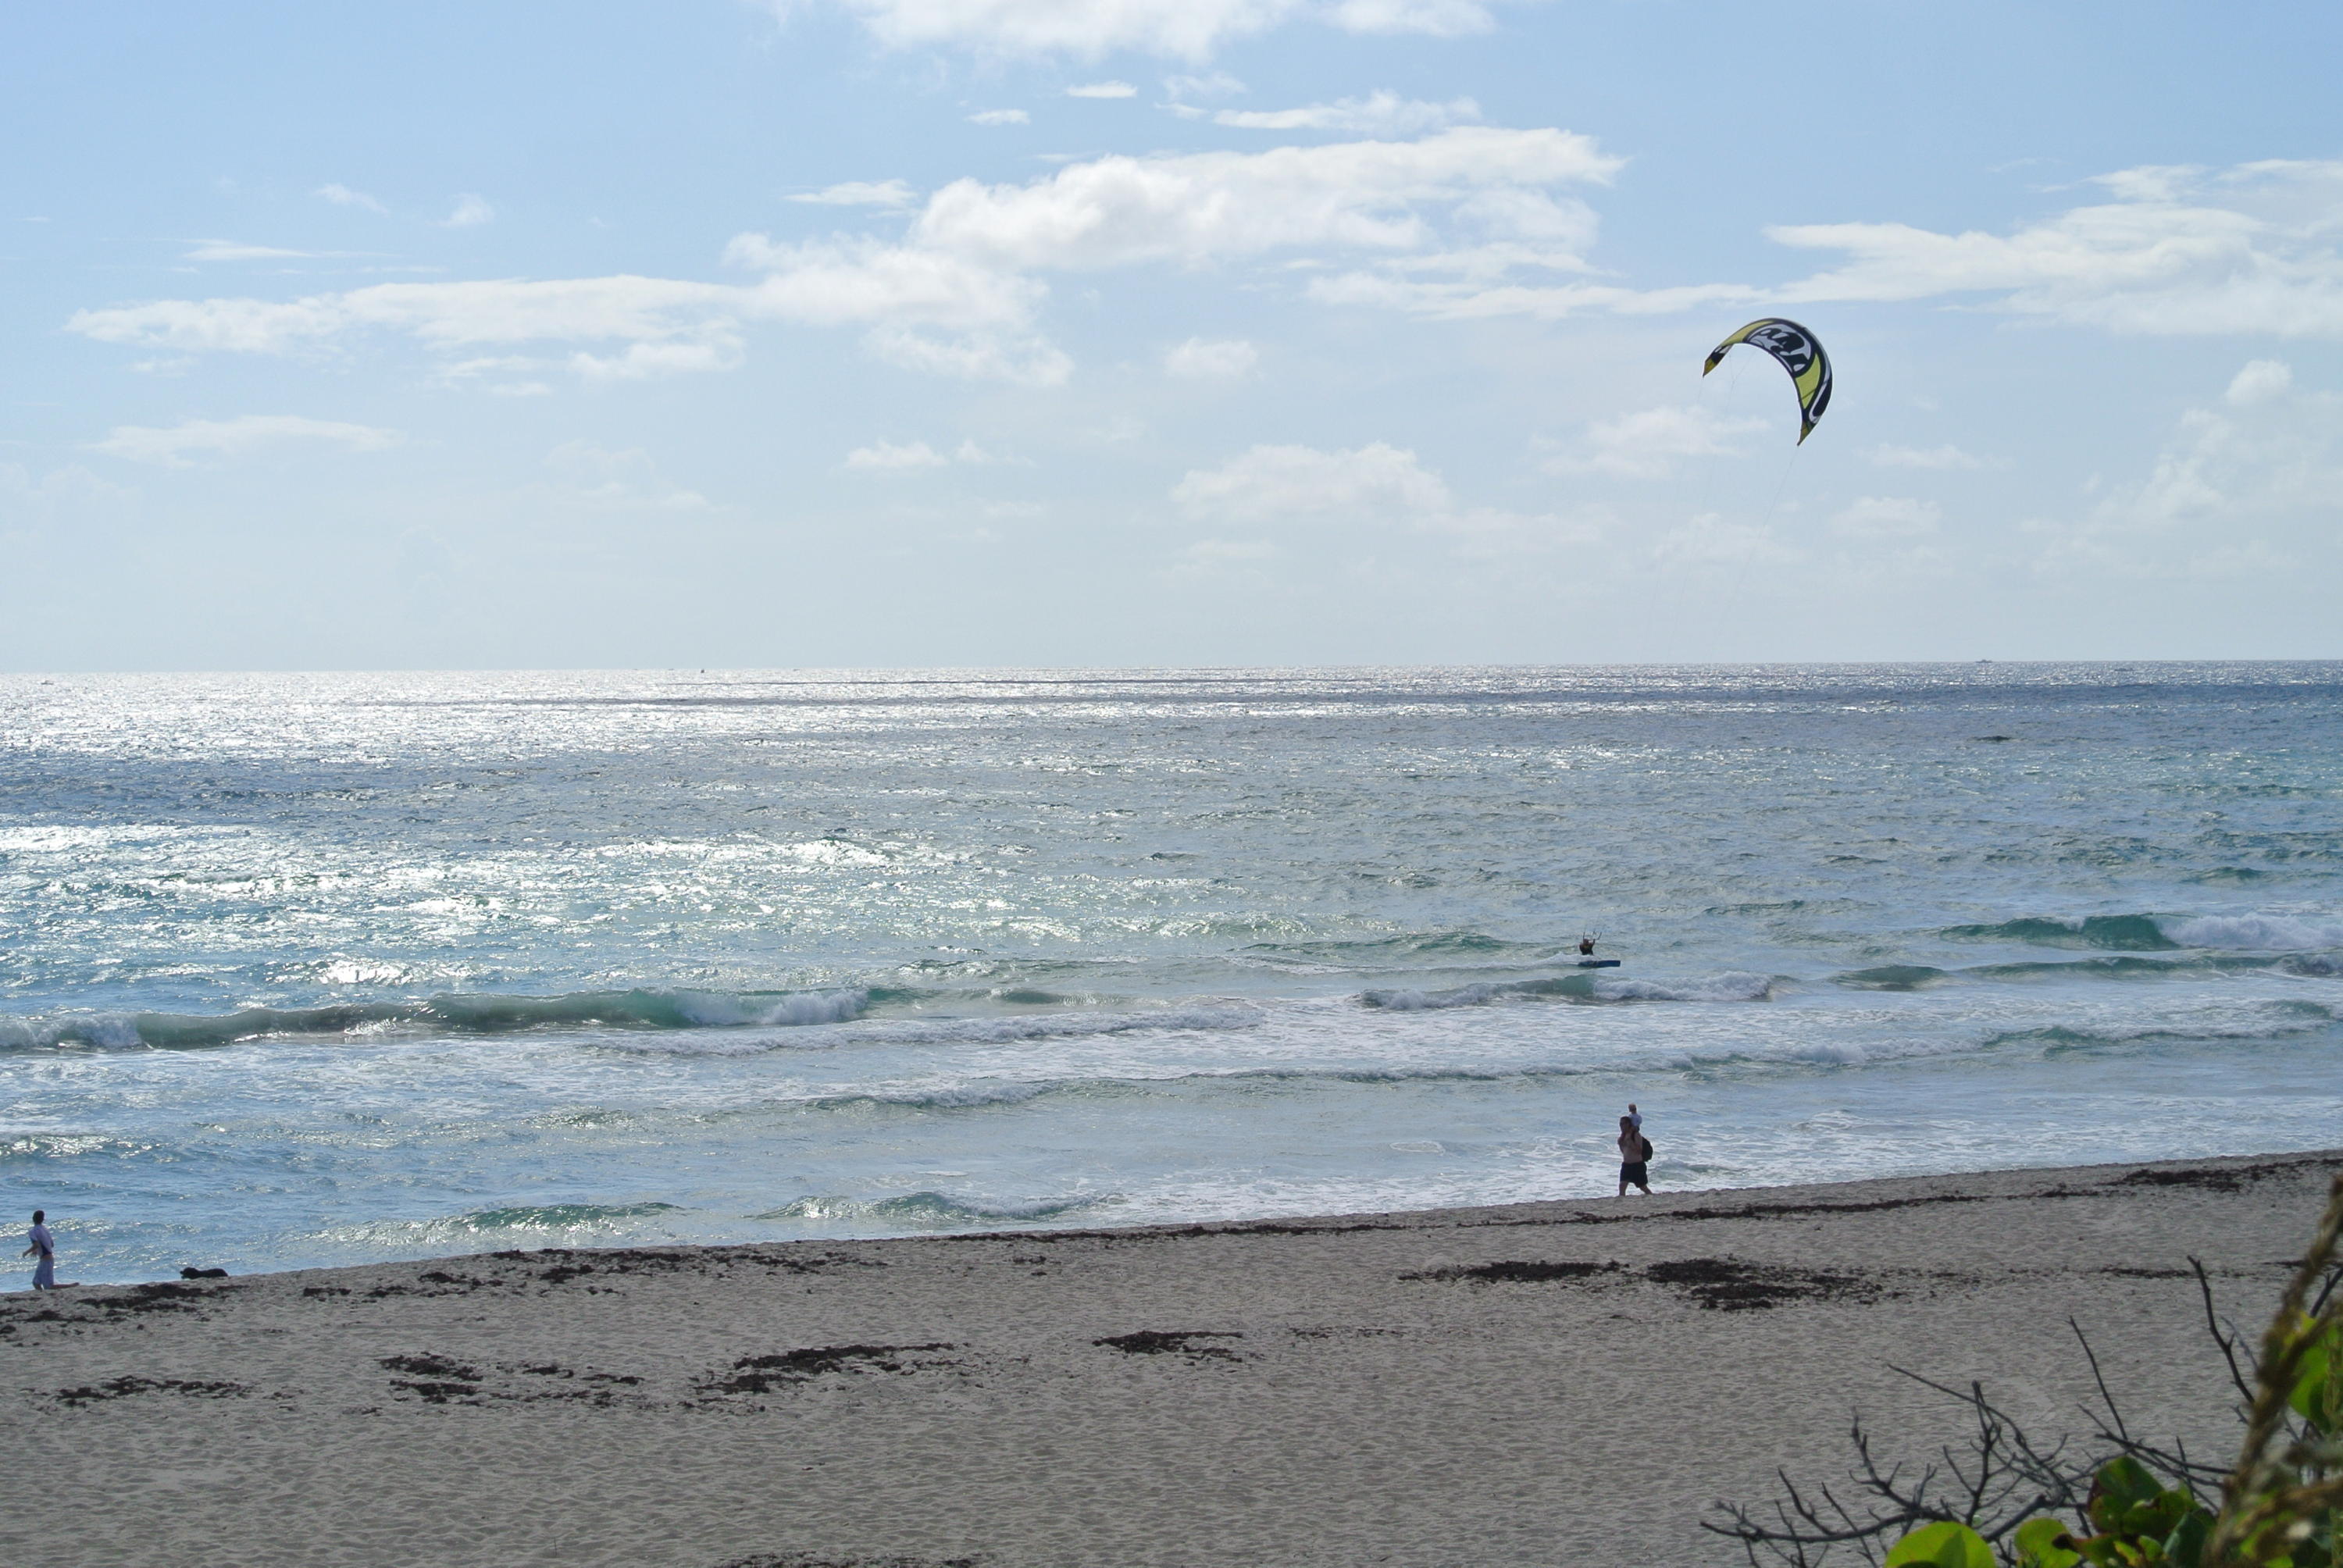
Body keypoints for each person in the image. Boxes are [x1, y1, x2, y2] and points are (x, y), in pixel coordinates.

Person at [23, 1209, 59, 1291]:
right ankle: (43, 1296)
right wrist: (36, 1249)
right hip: (47, 1258)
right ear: (43, 1219)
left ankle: (72, 1286)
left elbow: (36, 1244)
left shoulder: (33, 1231)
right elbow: (52, 1244)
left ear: (33, 1219)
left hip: (46, 1260)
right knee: (36, 1282)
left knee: (49, 1286)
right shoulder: (45, 1230)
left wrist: (26, 1252)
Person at [1617, 1117, 1652, 1197]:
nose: (1621, 1126)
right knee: (1622, 1185)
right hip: (1626, 1165)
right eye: (1620, 1124)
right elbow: (1624, 1152)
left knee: (1643, 1187)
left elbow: (1639, 1150)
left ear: (1628, 1124)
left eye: (1623, 1124)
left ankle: (1652, 1198)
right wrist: (1622, 1142)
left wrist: (1630, 1142)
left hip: (1637, 1165)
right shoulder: (1622, 1138)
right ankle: (1622, 1202)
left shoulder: (1636, 1135)